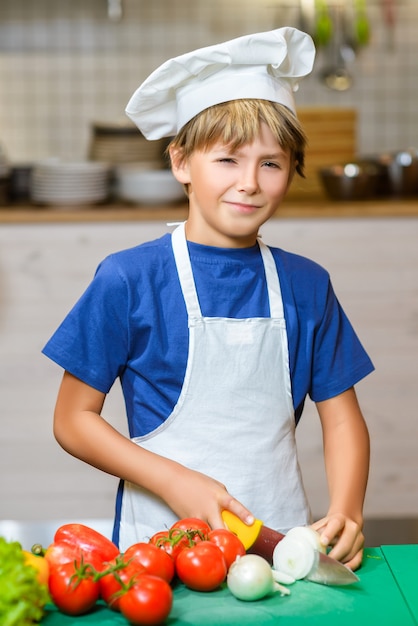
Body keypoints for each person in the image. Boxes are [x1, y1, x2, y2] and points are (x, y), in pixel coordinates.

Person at [42, 27, 373, 571]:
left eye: (271, 163)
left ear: (291, 171)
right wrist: (172, 479)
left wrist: (347, 512)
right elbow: (73, 419)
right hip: (159, 555)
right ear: (181, 164)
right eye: (228, 160)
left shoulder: (307, 285)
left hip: (282, 552)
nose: (249, 182)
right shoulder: (128, 279)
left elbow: (341, 419)